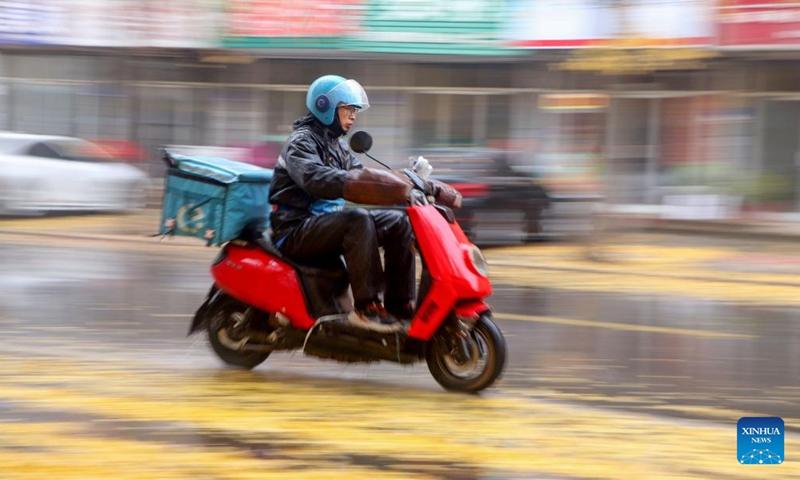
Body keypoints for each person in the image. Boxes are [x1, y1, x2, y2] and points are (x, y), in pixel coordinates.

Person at [268, 75, 415, 333]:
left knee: (398, 221)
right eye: (348, 109)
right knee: (356, 219)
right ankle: (366, 307)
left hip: (322, 225)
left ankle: (399, 303)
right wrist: (355, 182)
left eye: (355, 110)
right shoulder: (301, 142)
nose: (353, 116)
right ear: (325, 107)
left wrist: (404, 184)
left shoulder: (338, 146)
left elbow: (362, 176)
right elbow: (314, 178)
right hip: (294, 229)